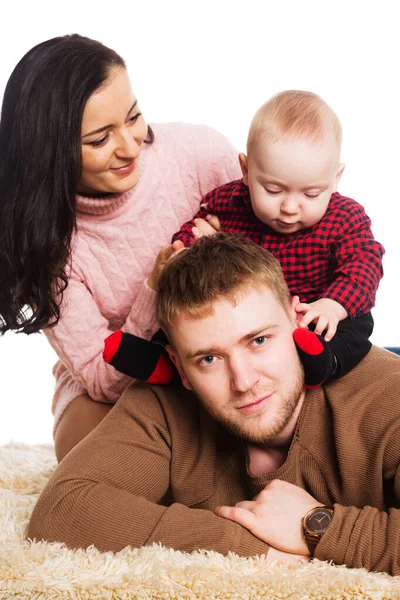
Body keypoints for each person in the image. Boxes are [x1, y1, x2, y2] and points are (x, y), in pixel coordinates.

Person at [28, 233, 400, 575]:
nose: (244, 382)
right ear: (179, 367)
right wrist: (251, 545)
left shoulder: (386, 395)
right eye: (209, 359)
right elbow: (63, 509)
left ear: (295, 318)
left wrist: (316, 526)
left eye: (258, 341)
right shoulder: (164, 402)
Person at [0, 34, 241, 462]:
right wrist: (155, 289)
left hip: (226, 359)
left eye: (133, 117)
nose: (130, 147)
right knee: (99, 463)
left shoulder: (201, 154)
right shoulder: (45, 242)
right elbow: (102, 378)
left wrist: (230, 256)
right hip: (121, 389)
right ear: (50, 153)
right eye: (99, 140)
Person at [104, 91, 385, 389]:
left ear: (336, 178)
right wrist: (186, 248)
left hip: (314, 311)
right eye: (274, 191)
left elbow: (364, 266)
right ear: (246, 170)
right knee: (193, 317)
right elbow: (195, 227)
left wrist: (332, 305)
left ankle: (321, 364)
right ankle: (161, 360)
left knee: (355, 326)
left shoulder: (346, 217)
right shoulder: (229, 202)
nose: (290, 208)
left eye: (311, 194)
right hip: (246, 318)